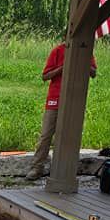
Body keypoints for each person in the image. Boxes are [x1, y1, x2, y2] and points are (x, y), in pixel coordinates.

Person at [27, 42, 97, 182]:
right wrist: (63, 67)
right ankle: (37, 167)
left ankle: (64, 170)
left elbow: (93, 73)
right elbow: (45, 76)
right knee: (46, 134)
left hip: (74, 99)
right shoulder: (58, 51)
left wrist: (83, 63)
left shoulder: (86, 51)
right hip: (55, 98)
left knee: (69, 135)